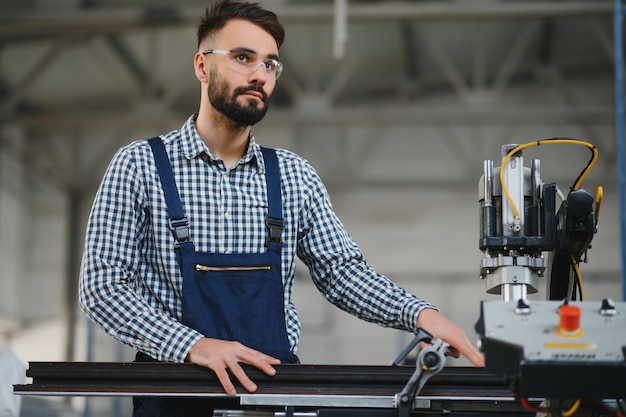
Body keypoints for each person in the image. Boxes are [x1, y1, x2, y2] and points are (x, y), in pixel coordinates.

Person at [78, 1, 484, 415]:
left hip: (270, 396)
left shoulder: (293, 176)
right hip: (174, 394)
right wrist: (194, 345)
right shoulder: (140, 165)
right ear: (202, 66)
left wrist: (421, 314)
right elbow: (102, 286)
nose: (259, 74)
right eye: (242, 58)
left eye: (270, 64)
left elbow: (342, 273)